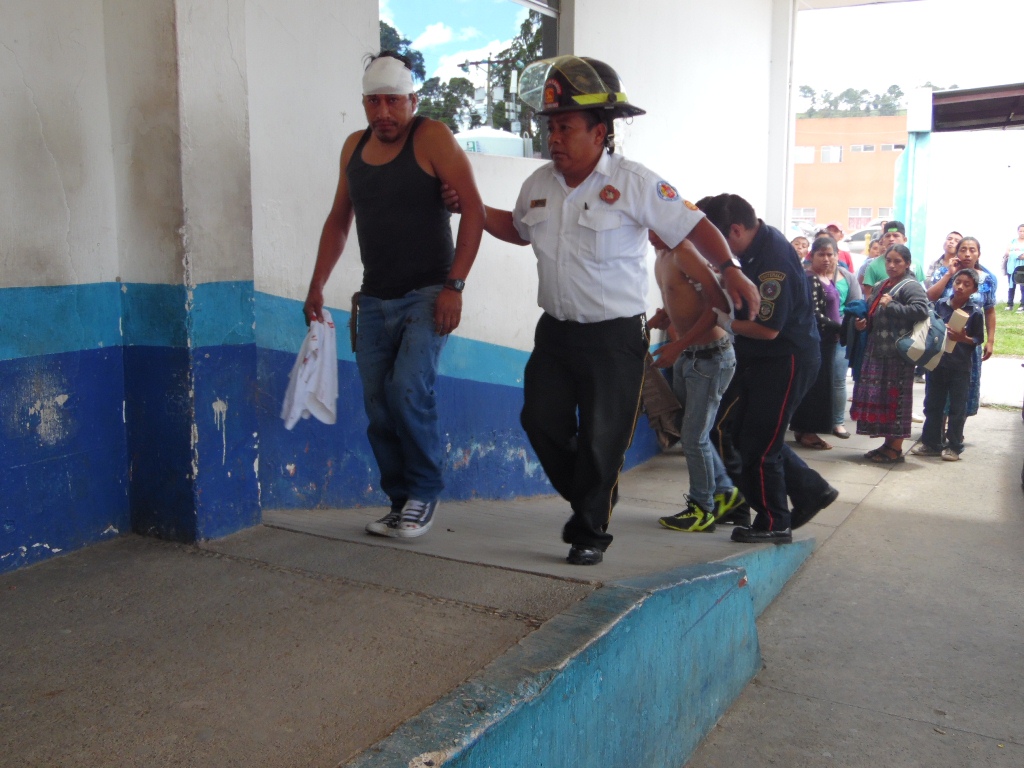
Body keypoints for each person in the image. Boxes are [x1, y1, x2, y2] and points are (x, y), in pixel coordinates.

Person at [444, 56, 760, 565]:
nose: (554, 138)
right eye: (550, 128)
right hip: (556, 333)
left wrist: (729, 268)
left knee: (602, 438)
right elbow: (519, 231)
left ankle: (590, 531)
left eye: (565, 127)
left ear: (600, 132)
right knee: (539, 420)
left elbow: (692, 223)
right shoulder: (539, 185)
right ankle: (594, 493)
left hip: (614, 338)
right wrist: (469, 208)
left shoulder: (635, 183)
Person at [302, 51, 485, 539]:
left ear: (412, 100)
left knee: (408, 389)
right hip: (375, 299)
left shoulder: (431, 136)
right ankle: (399, 499)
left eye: (393, 101)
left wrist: (455, 285)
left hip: (428, 293)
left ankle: (424, 493)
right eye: (374, 102)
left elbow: (473, 210)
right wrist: (317, 284)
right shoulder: (352, 149)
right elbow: (339, 221)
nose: (384, 112)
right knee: (378, 404)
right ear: (364, 103)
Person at [698, 194, 838, 544]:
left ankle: (776, 521)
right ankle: (811, 491)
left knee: (759, 443)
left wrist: (720, 319)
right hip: (763, 358)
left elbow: (768, 328)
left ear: (734, 230)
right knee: (736, 430)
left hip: (784, 358)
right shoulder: (754, 247)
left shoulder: (771, 260)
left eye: (710, 240)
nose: (709, 250)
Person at [647, 233, 746, 533]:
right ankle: (725, 493)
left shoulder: (685, 253)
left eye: (651, 224)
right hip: (688, 356)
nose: (647, 232)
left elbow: (719, 307)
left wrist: (677, 346)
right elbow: (684, 299)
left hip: (710, 358)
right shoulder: (662, 256)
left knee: (694, 437)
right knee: (692, 433)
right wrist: (665, 316)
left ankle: (702, 509)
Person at [849, 244, 929, 463]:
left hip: (897, 355)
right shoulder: (881, 285)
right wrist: (864, 323)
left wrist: (893, 305)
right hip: (877, 350)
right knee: (882, 400)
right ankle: (887, 444)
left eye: (897, 261)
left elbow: (922, 310)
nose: (892, 265)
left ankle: (895, 449)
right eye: (888, 261)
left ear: (907, 264)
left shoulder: (910, 285)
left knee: (896, 400)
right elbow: (873, 312)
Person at [911, 268, 985, 461]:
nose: (960, 287)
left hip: (960, 366)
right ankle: (932, 443)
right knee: (933, 405)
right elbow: (927, 328)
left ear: (974, 289)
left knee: (957, 408)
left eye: (966, 284)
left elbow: (978, 339)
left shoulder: (975, 312)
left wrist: (963, 338)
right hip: (937, 363)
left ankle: (954, 446)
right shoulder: (940, 305)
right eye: (958, 282)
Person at [925, 236, 997, 417]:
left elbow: (989, 311)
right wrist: (950, 273)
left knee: (964, 386)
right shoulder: (945, 273)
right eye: (963, 249)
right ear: (956, 253)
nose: (967, 254)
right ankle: (937, 429)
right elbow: (930, 297)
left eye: (972, 250)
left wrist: (990, 340)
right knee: (939, 385)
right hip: (941, 341)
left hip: (968, 343)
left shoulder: (987, 279)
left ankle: (955, 431)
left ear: (979, 253)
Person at [861, 221, 923, 298]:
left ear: (905, 239)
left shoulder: (915, 263)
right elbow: (868, 297)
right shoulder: (873, 266)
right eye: (887, 236)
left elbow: (920, 291)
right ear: (882, 240)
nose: (891, 239)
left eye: (896, 235)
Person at [1001, 224, 1024, 311]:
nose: (1022, 233)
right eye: (1020, 231)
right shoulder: (1013, 241)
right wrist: (1017, 254)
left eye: (1023, 231)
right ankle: (1010, 304)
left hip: (1022, 268)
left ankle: (1022, 305)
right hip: (1012, 267)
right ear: (1018, 231)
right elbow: (1007, 252)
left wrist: (1014, 254)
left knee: (1022, 286)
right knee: (1011, 286)